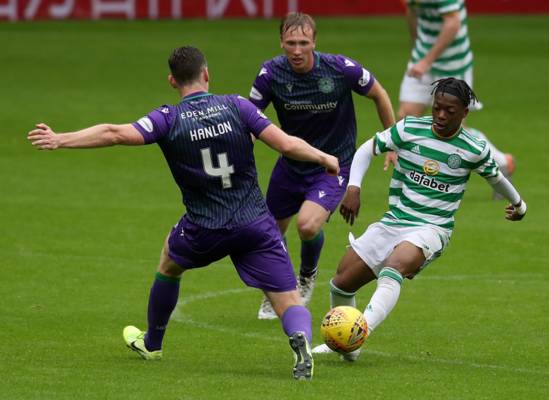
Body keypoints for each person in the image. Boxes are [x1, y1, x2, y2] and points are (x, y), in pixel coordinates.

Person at [27, 46, 341, 380]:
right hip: (254, 224)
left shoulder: (167, 118)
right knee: (288, 299)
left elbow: (113, 133)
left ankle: (152, 343)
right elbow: (286, 144)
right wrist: (324, 158)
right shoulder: (238, 106)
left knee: (169, 263)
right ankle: (300, 339)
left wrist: (60, 139)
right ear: (206, 74)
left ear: (172, 81)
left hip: (203, 227)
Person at [312, 78, 527, 361]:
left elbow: (496, 178)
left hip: (432, 228)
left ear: (464, 113)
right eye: (437, 107)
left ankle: (357, 334)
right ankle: (346, 347)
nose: (441, 115)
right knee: (342, 282)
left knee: (394, 267)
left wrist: (519, 204)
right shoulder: (409, 129)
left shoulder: (473, 149)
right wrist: (354, 188)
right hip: (395, 220)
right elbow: (367, 148)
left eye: (449, 111)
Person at [249, 12, 396, 319]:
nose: (297, 50)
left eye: (303, 43)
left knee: (307, 225)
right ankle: (279, 289)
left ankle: (306, 276)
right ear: (281, 42)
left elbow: (379, 94)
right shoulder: (270, 74)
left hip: (332, 166)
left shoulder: (340, 69)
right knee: (269, 233)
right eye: (291, 43)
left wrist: (391, 141)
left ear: (315, 42)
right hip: (291, 165)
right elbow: (250, 119)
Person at [395, 0, 515, 192]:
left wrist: (427, 60)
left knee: (454, 129)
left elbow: (453, 23)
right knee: (405, 115)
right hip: (422, 58)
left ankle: (501, 162)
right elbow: (411, 9)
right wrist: (417, 46)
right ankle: (411, 180)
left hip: (453, 63)